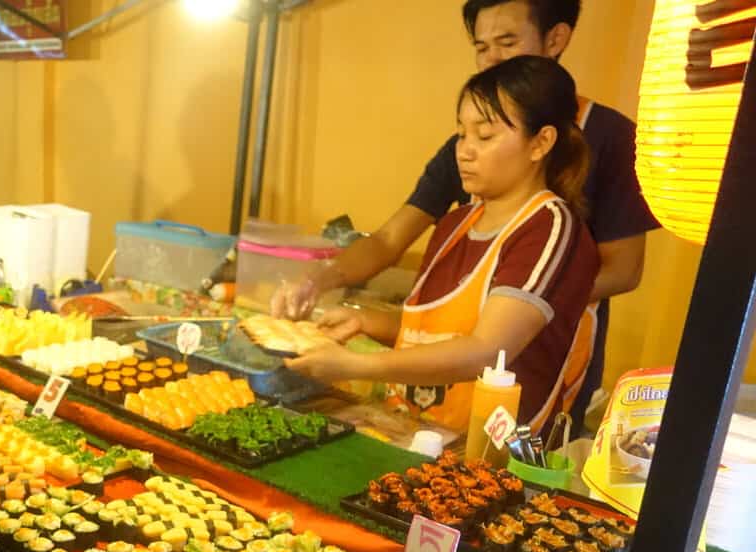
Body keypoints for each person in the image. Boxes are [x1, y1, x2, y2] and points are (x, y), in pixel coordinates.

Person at [273, 0, 657, 427]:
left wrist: (526, 305)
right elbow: (393, 249)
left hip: (507, 408)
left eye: (507, 41)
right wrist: (334, 294)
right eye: (482, 46)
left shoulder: (556, 221)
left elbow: (489, 344)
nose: (492, 58)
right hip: (427, 412)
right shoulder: (461, 216)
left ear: (556, 38)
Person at [286, 57, 598, 435]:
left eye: (485, 136)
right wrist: (364, 322)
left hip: (481, 457)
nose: (464, 150)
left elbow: (487, 350)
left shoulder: (549, 228)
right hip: (409, 429)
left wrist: (358, 366)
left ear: (541, 143)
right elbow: (434, 329)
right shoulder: (454, 224)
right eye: (461, 135)